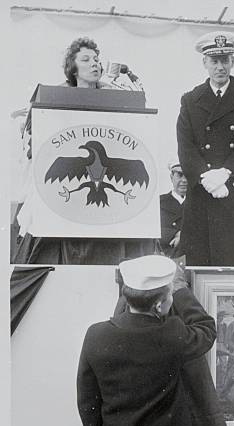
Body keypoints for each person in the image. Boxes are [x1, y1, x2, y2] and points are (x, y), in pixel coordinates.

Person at [13, 37, 157, 265]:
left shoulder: (117, 96)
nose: (94, 64)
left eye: (97, 59)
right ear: (73, 67)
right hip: (63, 206)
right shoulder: (52, 98)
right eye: (86, 59)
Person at [77, 255, 218, 426]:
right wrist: (181, 289)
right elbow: (207, 328)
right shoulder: (172, 334)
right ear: (159, 305)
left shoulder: (95, 334)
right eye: (170, 295)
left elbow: (87, 404)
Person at [177, 31, 234, 266]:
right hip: (202, 193)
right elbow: (185, 147)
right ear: (204, 63)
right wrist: (206, 177)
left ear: (233, 62)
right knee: (199, 263)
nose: (220, 67)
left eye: (225, 60)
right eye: (214, 61)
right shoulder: (190, 100)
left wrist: (225, 173)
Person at [159, 161, 187, 257]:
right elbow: (152, 230)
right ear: (171, 177)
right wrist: (174, 234)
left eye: (187, 175)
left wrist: (183, 236)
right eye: (180, 175)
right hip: (168, 256)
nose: (184, 180)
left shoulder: (199, 203)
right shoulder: (159, 203)